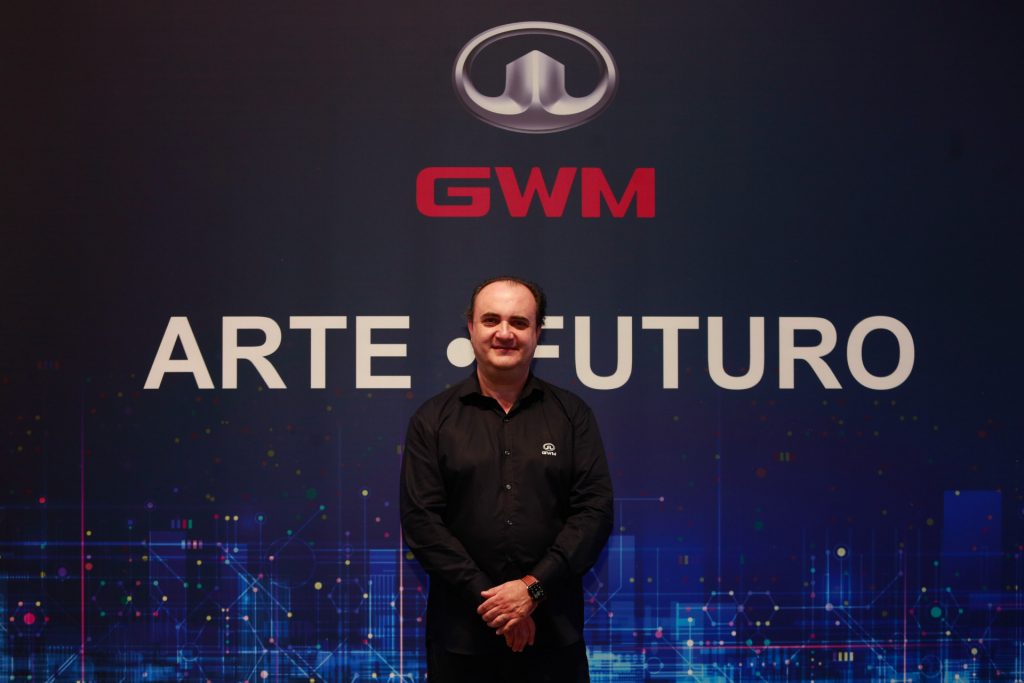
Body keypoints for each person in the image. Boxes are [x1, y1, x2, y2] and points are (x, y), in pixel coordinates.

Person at [400, 276, 614, 682]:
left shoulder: (572, 416)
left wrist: (532, 590)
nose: (504, 333)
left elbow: (594, 513)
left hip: (554, 637)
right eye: (491, 320)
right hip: (460, 640)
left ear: (537, 333)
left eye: (518, 322)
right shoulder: (432, 420)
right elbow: (422, 522)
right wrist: (497, 604)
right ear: (471, 327)